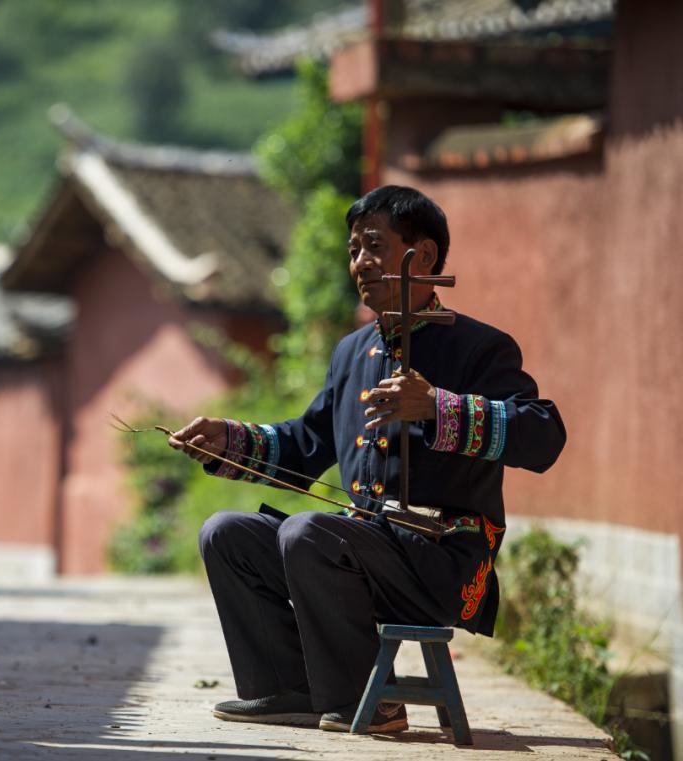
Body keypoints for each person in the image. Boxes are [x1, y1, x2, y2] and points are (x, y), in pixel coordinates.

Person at [167, 186, 565, 733]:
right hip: (356, 555)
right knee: (226, 533)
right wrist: (227, 439)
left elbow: (545, 436)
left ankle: (368, 702)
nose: (360, 263)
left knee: (309, 533)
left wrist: (436, 406)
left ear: (422, 256)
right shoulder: (353, 352)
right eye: (353, 249)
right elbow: (304, 446)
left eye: (373, 245)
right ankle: (293, 689)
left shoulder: (480, 348)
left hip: (443, 563)